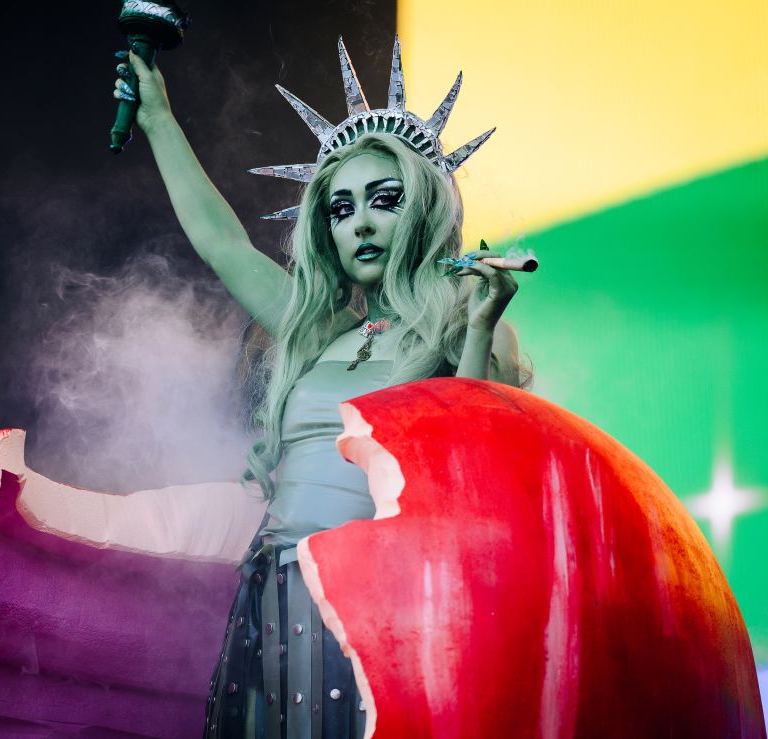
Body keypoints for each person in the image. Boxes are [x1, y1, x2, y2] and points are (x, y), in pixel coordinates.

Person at [113, 37, 524, 739]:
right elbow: (223, 243)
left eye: (384, 200)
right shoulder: (312, 331)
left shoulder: (459, 325)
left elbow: (474, 462)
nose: (359, 221)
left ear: (423, 209)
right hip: (273, 587)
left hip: (383, 597)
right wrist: (158, 120)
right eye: (339, 208)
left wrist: (481, 326)